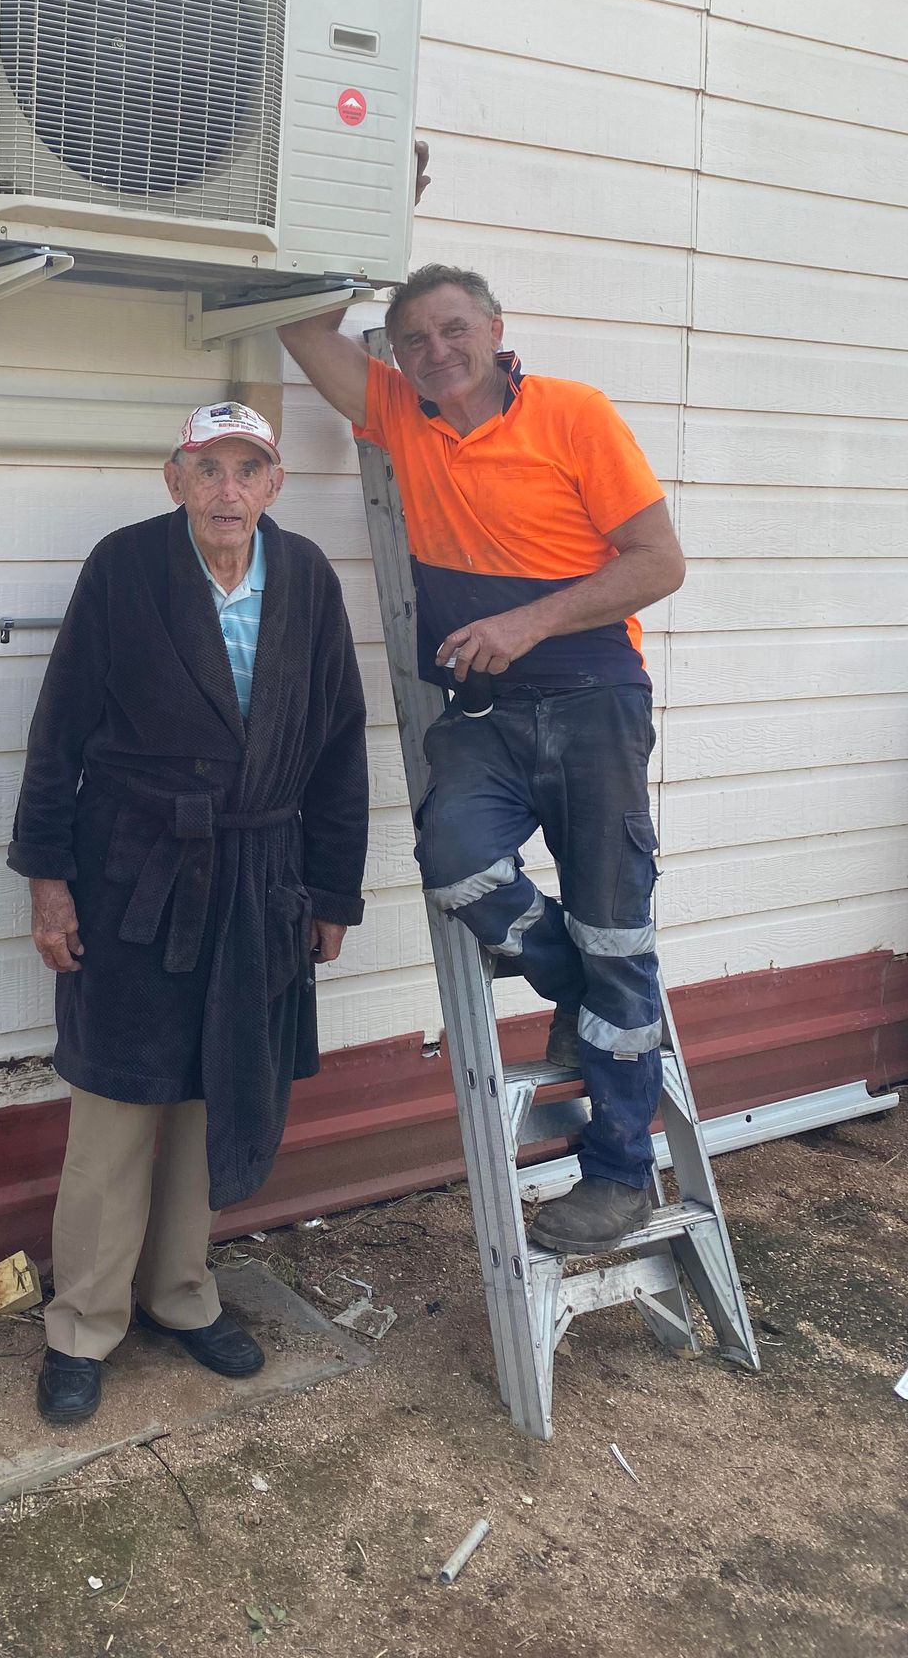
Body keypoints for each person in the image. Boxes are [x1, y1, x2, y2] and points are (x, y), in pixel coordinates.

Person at [278, 263, 686, 1255]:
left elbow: (658, 562)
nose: (435, 352)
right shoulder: (398, 411)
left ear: (496, 327)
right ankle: (573, 985)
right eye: (413, 338)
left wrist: (528, 620)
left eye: (453, 329)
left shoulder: (574, 414)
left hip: (593, 699)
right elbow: (301, 328)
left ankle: (621, 1173)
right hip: (487, 710)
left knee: (617, 932)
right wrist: (356, 216)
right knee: (457, 858)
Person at [8, 400, 368, 1423]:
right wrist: (48, 880)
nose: (228, 489)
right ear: (175, 477)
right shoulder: (123, 568)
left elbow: (341, 742)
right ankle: (83, 1320)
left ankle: (180, 1293)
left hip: (260, 876)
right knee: (119, 1106)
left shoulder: (305, 580)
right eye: (208, 467)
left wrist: (332, 887)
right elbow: (58, 733)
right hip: (132, 875)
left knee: (218, 1088)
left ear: (274, 483)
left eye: (247, 467)